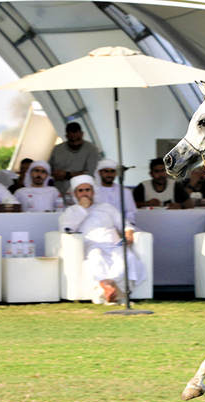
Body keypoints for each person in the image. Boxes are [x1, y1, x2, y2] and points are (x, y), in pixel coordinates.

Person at [59, 175, 146, 305]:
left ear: (93, 192)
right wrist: (82, 209)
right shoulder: (71, 211)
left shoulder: (106, 207)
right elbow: (66, 228)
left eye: (87, 190)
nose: (85, 193)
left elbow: (124, 223)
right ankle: (109, 288)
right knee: (96, 257)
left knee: (128, 257)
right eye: (80, 191)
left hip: (114, 245)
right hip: (91, 246)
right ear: (75, 194)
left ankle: (107, 284)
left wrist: (128, 232)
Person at [48, 122, 102, 198]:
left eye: (78, 139)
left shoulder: (92, 150)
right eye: (72, 141)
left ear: (82, 134)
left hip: (81, 195)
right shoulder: (57, 149)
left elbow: (90, 174)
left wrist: (66, 175)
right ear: (66, 137)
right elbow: (49, 168)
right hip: (58, 193)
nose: (76, 143)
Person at [95, 159, 137, 225]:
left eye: (112, 171)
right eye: (106, 171)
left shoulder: (125, 192)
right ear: (99, 173)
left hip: (123, 228)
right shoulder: (93, 192)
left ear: (116, 173)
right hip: (98, 228)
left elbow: (130, 213)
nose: (109, 174)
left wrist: (126, 228)